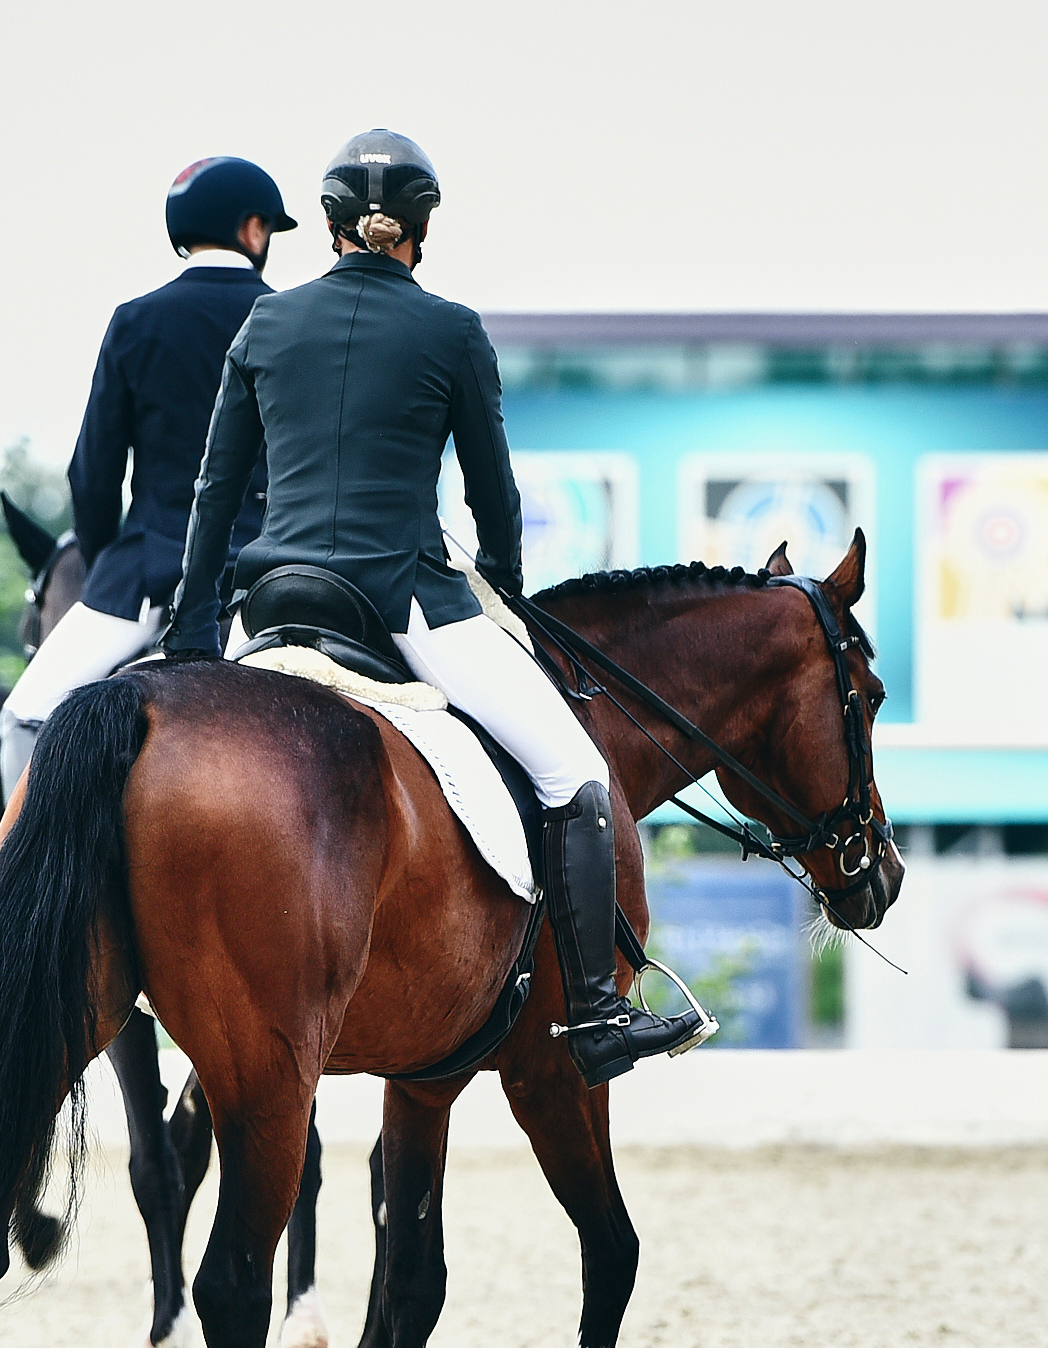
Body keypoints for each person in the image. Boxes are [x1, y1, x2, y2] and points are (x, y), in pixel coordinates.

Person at [160, 131, 706, 1086]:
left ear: (327, 225)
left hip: (273, 601)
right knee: (574, 774)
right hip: (402, 599)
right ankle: (595, 1011)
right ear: (420, 228)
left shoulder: (265, 326)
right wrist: (501, 587)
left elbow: (215, 488)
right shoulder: (450, 329)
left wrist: (191, 633)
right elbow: (496, 497)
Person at [0, 156, 293, 796]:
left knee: (23, 715)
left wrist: (111, 561)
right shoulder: (292, 320)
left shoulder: (136, 321)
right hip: (271, 578)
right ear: (250, 228)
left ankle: (16, 888)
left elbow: (93, 474)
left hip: (146, 576)